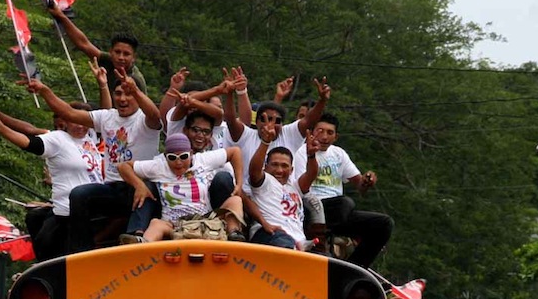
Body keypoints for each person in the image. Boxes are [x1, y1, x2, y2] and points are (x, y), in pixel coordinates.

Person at [24, 72, 162, 251]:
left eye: (129, 93)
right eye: (118, 93)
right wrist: (44, 91)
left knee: (146, 186)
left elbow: (155, 115)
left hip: (140, 186)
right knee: (79, 194)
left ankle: (135, 237)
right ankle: (82, 249)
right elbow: (69, 113)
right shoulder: (106, 117)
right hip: (113, 188)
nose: (122, 99)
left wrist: (135, 90)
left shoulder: (145, 120)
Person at [0, 95, 104, 261]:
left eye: (83, 122)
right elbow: (28, 141)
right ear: (65, 120)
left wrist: (103, 86)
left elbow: (108, 114)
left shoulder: (91, 137)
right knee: (38, 223)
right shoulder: (57, 139)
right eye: (74, 121)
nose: (80, 126)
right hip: (68, 212)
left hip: (95, 209)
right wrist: (1, 128)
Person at [295, 113, 393, 267]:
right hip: (312, 208)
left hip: (339, 212)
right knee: (345, 203)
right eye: (320, 131)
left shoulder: (338, 153)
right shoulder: (301, 152)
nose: (324, 137)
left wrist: (367, 181)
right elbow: (301, 188)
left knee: (384, 223)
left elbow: (360, 185)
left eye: (330, 132)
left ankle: (356, 267)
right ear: (312, 132)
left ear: (336, 137)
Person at [117, 132, 245, 243]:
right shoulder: (158, 167)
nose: (178, 162)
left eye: (183, 157)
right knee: (156, 224)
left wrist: (239, 184)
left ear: (191, 154)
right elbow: (123, 166)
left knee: (235, 200)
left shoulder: (203, 160)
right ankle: (142, 245)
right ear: (165, 156)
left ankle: (234, 234)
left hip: (205, 221)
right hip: (174, 225)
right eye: (172, 158)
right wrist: (139, 185)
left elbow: (235, 152)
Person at [247, 122, 320, 250]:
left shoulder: (295, 187)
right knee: (284, 242)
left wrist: (311, 155)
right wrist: (265, 142)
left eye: (284, 166)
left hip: (298, 241)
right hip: (269, 234)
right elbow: (254, 170)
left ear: (291, 170)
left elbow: (311, 174)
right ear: (266, 167)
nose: (279, 170)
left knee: (324, 257)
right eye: (274, 164)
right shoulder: (264, 182)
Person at [46, 3, 147, 95]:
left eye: (126, 54)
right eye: (117, 52)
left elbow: (147, 108)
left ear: (134, 57)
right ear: (111, 52)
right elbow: (83, 44)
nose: (121, 57)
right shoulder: (108, 61)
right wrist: (62, 17)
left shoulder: (136, 79)